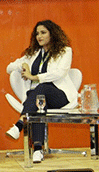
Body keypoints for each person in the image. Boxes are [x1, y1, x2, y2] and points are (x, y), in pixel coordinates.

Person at [5, 20, 77, 163]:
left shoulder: (65, 51)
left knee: (41, 89)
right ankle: (38, 150)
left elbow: (59, 73)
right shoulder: (33, 53)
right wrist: (23, 64)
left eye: (43, 33)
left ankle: (20, 124)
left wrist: (34, 77)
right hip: (38, 99)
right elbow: (9, 67)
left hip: (59, 96)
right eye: (37, 33)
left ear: (52, 34)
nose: (39, 36)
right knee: (39, 103)